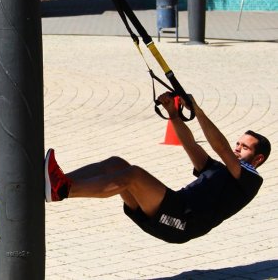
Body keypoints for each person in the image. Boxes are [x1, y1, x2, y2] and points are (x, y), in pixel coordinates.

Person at [44, 92, 271, 244]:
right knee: (116, 164)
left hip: (182, 221)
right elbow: (190, 144)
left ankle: (63, 190)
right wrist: (173, 114)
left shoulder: (250, 179)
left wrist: (198, 111)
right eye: (238, 144)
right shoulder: (218, 172)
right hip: (171, 209)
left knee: (134, 175)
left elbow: (220, 148)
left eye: (245, 148)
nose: (237, 149)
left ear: (258, 158)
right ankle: (52, 182)